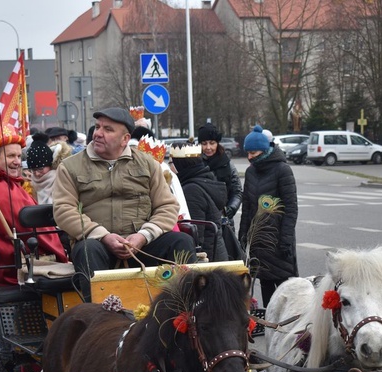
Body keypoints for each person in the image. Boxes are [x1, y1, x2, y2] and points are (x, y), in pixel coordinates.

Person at [52, 107, 197, 301]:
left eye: (108, 129)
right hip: (97, 244)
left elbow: (168, 206)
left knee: (182, 242)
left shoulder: (148, 164)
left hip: (142, 244)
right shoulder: (70, 167)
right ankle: (98, 318)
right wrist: (103, 236)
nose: (98, 134)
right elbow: (63, 209)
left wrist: (143, 236)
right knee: (86, 250)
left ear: (125, 139)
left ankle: (183, 311)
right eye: (97, 127)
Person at [0, 124, 68, 286]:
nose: (17, 162)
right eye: (10, 156)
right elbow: (37, 231)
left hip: (4, 266)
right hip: (14, 270)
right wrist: (63, 256)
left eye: (18, 156)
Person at [238, 125, 299, 307]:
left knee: (284, 285)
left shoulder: (282, 170)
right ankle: (270, 322)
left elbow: (291, 208)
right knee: (264, 281)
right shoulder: (250, 172)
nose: (250, 157)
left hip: (278, 239)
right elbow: (248, 207)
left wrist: (286, 240)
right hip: (259, 239)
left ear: (264, 150)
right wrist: (243, 236)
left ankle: (288, 323)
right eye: (247, 152)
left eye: (253, 152)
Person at [170, 144, 229, 262]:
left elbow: (196, 235)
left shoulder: (191, 190)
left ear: (180, 165)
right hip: (216, 253)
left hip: (207, 259)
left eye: (172, 163)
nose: (169, 166)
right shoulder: (205, 180)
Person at [198, 123, 242, 225]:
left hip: (224, 220)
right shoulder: (196, 163)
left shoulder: (227, 164)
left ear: (217, 143)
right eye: (204, 144)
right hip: (201, 219)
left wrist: (231, 208)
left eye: (212, 143)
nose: (208, 147)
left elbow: (237, 191)